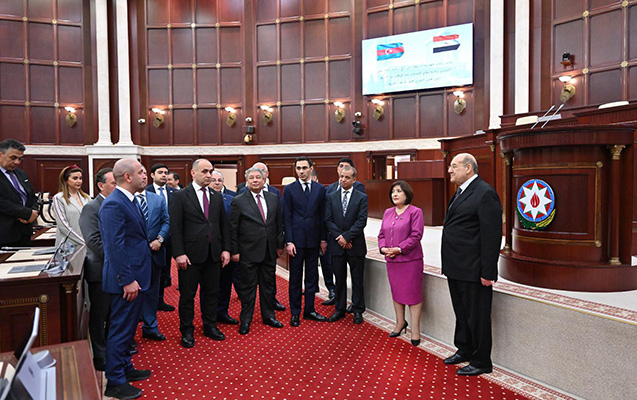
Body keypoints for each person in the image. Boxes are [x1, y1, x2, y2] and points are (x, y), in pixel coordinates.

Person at [441, 153, 502, 376]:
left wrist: (488, 272)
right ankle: (464, 349)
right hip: (456, 267)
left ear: (468, 168)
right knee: (462, 313)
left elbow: (491, 236)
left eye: (454, 166)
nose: (449, 170)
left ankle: (481, 360)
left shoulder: (485, 193)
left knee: (477, 317)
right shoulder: (461, 192)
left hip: (474, 269)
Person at [100, 158, 152, 399]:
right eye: (141, 172)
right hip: (126, 280)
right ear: (128, 177)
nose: (145, 176)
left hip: (136, 275)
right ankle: (115, 380)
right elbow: (114, 247)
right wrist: (127, 280)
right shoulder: (114, 204)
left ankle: (125, 367)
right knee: (120, 329)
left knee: (129, 328)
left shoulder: (129, 200)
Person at [170, 159, 230, 348]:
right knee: (187, 295)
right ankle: (187, 330)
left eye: (210, 171)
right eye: (204, 171)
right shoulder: (180, 196)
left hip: (213, 254)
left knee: (211, 293)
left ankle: (210, 326)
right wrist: (179, 253)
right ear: (193, 173)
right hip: (190, 256)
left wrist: (226, 249)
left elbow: (223, 225)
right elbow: (175, 228)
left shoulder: (216, 196)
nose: (209, 175)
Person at [229, 167, 285, 335]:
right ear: (246, 181)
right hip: (248, 251)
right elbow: (233, 228)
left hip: (269, 250)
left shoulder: (273, 198)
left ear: (264, 180)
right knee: (248, 288)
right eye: (251, 178)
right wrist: (234, 251)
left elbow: (278, 223)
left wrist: (279, 245)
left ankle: (269, 316)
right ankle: (246, 319)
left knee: (269, 286)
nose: (255, 180)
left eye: (258, 177)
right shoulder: (238, 200)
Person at [378, 181, 424, 346]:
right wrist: (383, 249)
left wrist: (399, 249)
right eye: (393, 192)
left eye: (399, 191)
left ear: (407, 193)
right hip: (392, 260)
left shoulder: (415, 212)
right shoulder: (388, 212)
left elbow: (416, 235)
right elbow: (381, 235)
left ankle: (415, 330)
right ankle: (400, 322)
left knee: (413, 295)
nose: (395, 194)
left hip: (410, 261)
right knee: (396, 292)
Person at [78, 167, 116, 371]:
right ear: (101, 185)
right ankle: (100, 354)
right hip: (101, 269)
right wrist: (117, 260)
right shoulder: (92, 207)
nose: (118, 186)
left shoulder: (117, 204)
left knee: (114, 313)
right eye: (113, 183)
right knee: (100, 314)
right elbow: (93, 240)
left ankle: (114, 348)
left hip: (116, 269)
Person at [283, 157, 328, 326]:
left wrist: (323, 239)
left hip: (314, 240)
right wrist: (289, 241)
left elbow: (322, 216)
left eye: (304, 168)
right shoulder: (289, 189)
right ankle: (295, 313)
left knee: (312, 278)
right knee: (295, 279)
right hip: (296, 241)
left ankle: (309, 310)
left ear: (311, 169)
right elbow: (287, 217)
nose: (301, 171)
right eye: (298, 168)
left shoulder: (320, 189)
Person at [325, 165, 368, 325]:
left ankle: (357, 310)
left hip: (355, 245)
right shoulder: (331, 196)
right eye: (341, 176)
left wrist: (348, 237)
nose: (343, 180)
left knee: (357, 279)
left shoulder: (361, 197)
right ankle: (339, 309)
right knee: (339, 278)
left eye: (347, 177)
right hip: (337, 245)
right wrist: (340, 238)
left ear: (354, 180)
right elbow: (328, 220)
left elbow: (361, 221)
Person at [137, 166, 170, 342]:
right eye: (140, 174)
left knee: (152, 292)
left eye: (144, 174)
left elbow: (166, 222)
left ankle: (150, 326)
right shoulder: (125, 200)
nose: (143, 177)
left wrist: (160, 239)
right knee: (133, 294)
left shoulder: (157, 199)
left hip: (155, 252)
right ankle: (130, 332)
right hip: (134, 255)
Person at [211, 170, 240, 325]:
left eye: (219, 180)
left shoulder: (232, 199)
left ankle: (222, 312)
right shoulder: (203, 198)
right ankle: (209, 315)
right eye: (213, 180)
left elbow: (235, 227)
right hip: (208, 248)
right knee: (210, 285)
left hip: (227, 248)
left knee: (225, 283)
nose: (216, 183)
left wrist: (232, 249)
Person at [146, 163, 177, 312]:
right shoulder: (145, 192)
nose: (164, 175)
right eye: (160, 172)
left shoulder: (174, 193)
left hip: (169, 238)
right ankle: (146, 304)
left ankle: (159, 300)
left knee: (164, 271)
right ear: (152, 175)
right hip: (150, 240)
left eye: (166, 172)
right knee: (149, 272)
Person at [0, 139, 38, 248]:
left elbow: (32, 197)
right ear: (0, 154)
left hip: (24, 232)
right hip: (4, 234)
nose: (17, 162)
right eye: (13, 158)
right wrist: (25, 213)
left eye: (20, 159)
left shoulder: (21, 174)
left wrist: (33, 212)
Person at [311, 169, 336, 305]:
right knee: (311, 262)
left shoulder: (323, 192)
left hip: (324, 233)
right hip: (309, 234)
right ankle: (313, 286)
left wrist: (324, 238)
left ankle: (331, 288)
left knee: (326, 262)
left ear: (315, 178)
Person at [52, 165, 90, 248]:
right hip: (68, 245)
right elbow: (63, 225)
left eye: (80, 178)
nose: (79, 181)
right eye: (75, 178)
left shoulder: (86, 198)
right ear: (66, 180)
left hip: (87, 243)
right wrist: (82, 241)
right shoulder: (59, 198)